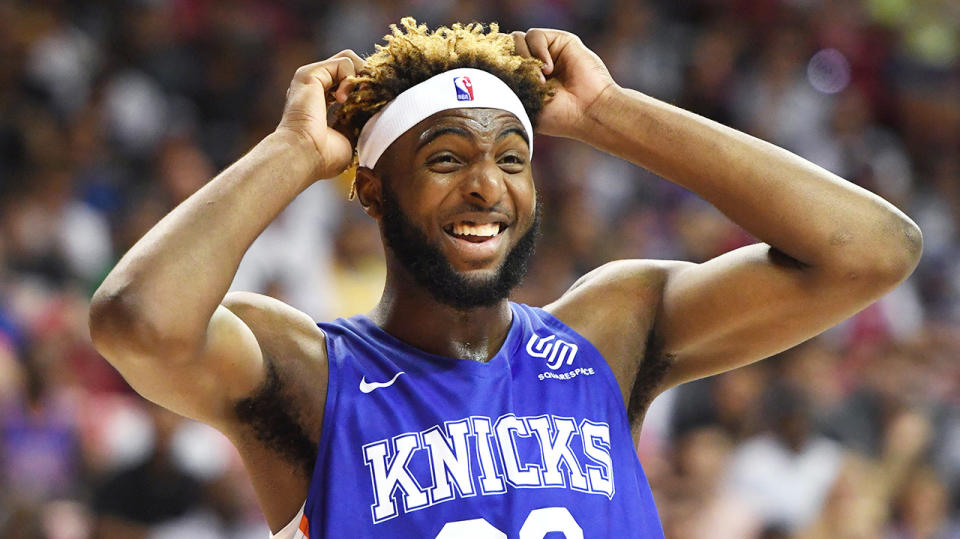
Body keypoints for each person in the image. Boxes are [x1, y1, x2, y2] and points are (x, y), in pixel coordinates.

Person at [88, 18, 922, 538]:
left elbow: (873, 249)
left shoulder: (609, 329)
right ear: (374, 191)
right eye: (447, 159)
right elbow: (138, 320)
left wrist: (610, 115)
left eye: (513, 160)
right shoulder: (309, 370)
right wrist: (295, 150)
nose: (487, 187)